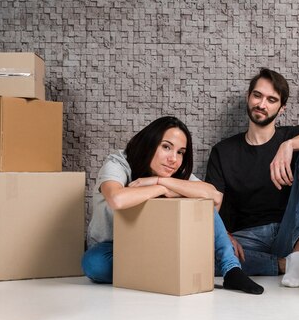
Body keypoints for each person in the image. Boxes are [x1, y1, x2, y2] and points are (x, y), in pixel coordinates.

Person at [82, 116, 263, 295]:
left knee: (202, 201)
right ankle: (169, 270)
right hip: (113, 249)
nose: (174, 159)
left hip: (157, 245)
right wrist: (160, 188)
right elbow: (117, 199)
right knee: (93, 264)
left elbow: (214, 196)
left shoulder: (170, 175)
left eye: (180, 152)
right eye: (166, 147)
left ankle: (231, 269)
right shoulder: (119, 162)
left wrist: (160, 181)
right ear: (149, 143)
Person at [205, 68, 299, 288]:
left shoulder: (290, 136)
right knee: (201, 256)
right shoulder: (223, 151)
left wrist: (289, 145)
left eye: (271, 99)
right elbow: (211, 204)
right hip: (247, 240)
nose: (262, 104)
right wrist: (224, 235)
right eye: (257, 95)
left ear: (281, 108)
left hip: (290, 231)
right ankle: (287, 264)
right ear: (248, 97)